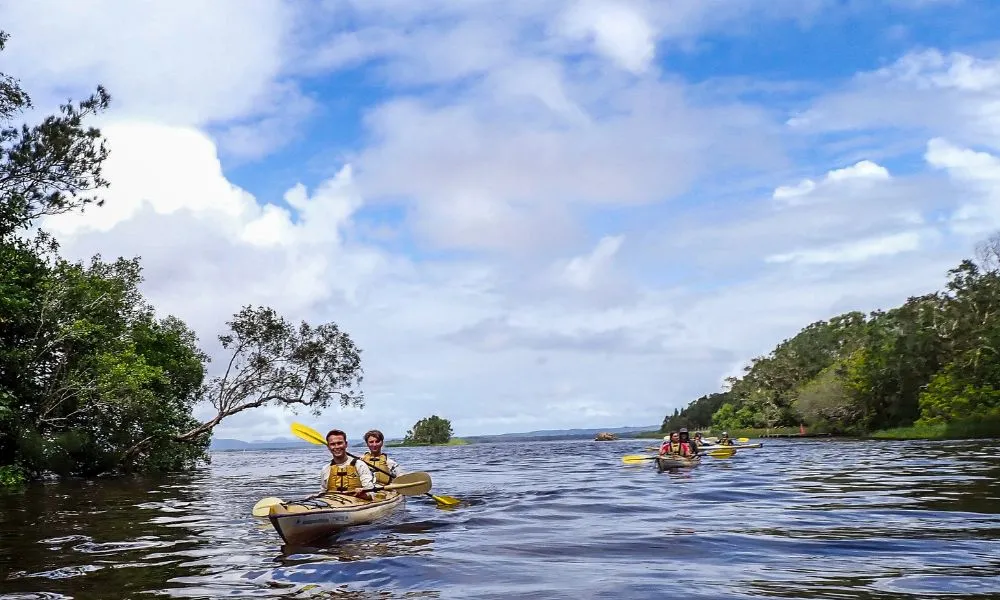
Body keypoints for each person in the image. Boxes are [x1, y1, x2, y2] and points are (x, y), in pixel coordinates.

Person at [320, 429, 377, 498]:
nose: (337, 447)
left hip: (357, 503)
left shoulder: (360, 465)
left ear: (346, 444)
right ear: (328, 447)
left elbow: (371, 493)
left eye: (339, 443)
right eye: (332, 444)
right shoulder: (325, 469)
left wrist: (364, 493)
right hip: (333, 503)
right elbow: (323, 492)